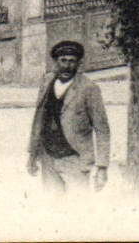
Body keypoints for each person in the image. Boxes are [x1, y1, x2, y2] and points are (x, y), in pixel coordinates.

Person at [27, 40, 111, 193]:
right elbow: (38, 120)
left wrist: (102, 168)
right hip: (48, 157)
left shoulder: (89, 89)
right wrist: (32, 155)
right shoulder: (47, 82)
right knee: (51, 203)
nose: (67, 66)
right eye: (63, 60)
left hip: (75, 159)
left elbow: (102, 129)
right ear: (55, 62)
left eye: (72, 61)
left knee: (77, 203)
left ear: (79, 64)